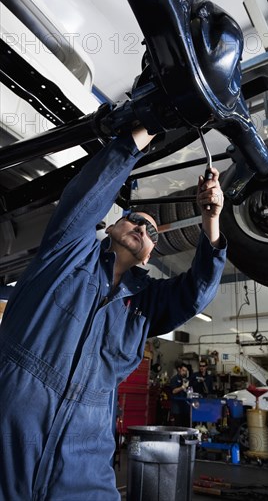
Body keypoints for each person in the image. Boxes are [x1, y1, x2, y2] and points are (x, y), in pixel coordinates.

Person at [0, 125, 226, 501]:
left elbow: (197, 292)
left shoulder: (146, 303)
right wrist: (146, 128)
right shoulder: (67, 253)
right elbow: (86, 195)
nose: (141, 229)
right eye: (135, 219)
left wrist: (210, 219)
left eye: (151, 232)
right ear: (112, 226)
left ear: (151, 255)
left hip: (83, 460)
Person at [169, 361, 190, 427]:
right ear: (179, 369)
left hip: (184, 406)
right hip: (176, 407)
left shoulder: (185, 380)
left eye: (186, 371)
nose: (184, 372)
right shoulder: (174, 379)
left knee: (184, 424)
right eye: (183, 370)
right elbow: (174, 391)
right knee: (177, 425)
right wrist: (182, 387)